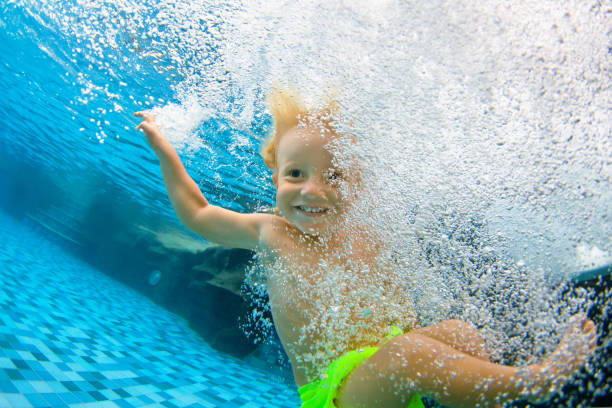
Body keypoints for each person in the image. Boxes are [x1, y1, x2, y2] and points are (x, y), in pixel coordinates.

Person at [135, 88, 596, 408]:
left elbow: (399, 315)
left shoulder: (368, 235)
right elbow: (196, 214)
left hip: (389, 375)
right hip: (337, 395)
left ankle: (477, 391)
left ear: (358, 185)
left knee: (463, 334)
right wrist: (164, 151)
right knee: (412, 356)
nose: (312, 190)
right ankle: (532, 384)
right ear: (276, 178)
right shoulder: (270, 232)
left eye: (334, 176)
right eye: (296, 174)